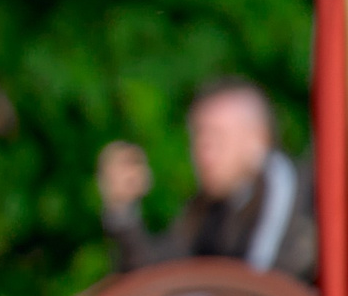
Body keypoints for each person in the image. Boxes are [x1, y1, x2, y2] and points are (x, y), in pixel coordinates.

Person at [96, 78, 316, 280]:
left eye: (216, 138)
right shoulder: (206, 211)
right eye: (198, 139)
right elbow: (154, 279)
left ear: (257, 139)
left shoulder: (306, 197)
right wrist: (122, 213)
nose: (203, 153)